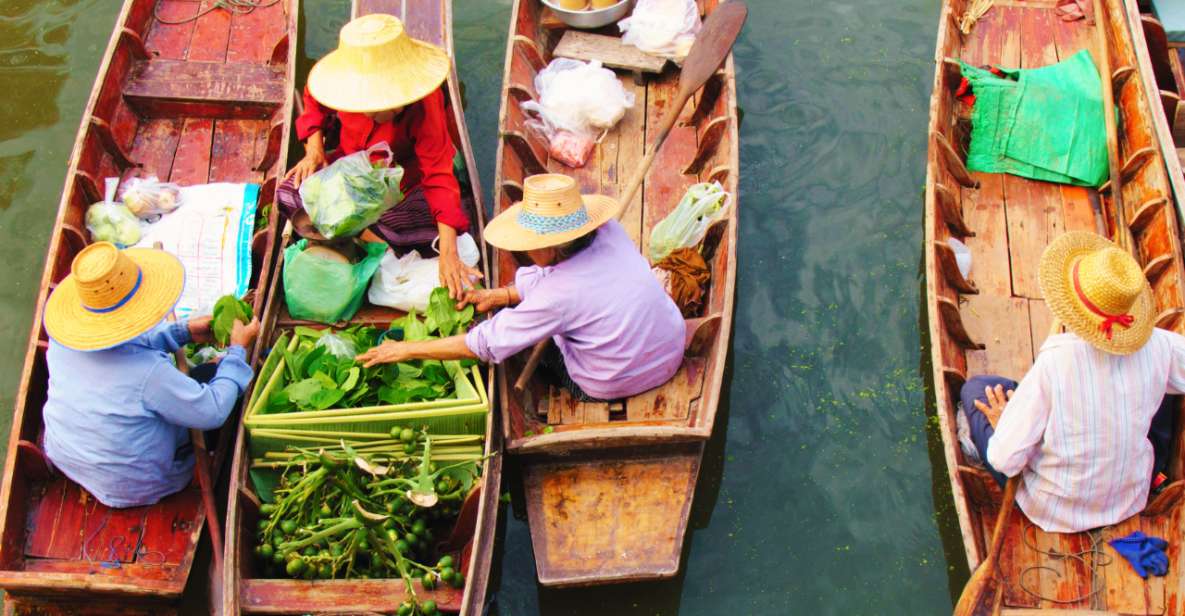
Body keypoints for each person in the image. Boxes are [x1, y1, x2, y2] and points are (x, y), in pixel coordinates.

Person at [357, 173, 685, 402]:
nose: (526, 250)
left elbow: (484, 343)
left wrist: (404, 350)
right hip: (673, 347)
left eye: (530, 244)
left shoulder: (556, 296)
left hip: (612, 381)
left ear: (551, 245)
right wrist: (500, 295)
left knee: (524, 347)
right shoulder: (607, 231)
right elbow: (567, 278)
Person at [960, 231, 1181, 533]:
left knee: (975, 388)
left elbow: (1004, 460)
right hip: (1129, 499)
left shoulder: (1055, 361)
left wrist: (1003, 423)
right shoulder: (1159, 345)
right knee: (1167, 387)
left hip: (1054, 508)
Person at [40, 242, 260, 508]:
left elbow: (120, 343)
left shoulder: (64, 341)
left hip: (67, 457)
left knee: (203, 376)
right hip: (136, 485)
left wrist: (183, 332)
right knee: (224, 380)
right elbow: (212, 412)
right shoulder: (148, 375)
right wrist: (238, 350)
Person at [279, 13, 479, 298]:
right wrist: (314, 149)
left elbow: (438, 175)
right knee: (288, 194)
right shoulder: (340, 83)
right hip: (351, 172)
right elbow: (313, 98)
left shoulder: (425, 101)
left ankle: (355, 237)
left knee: (432, 229)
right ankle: (364, 236)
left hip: (402, 185)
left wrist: (448, 254)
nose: (373, 113)